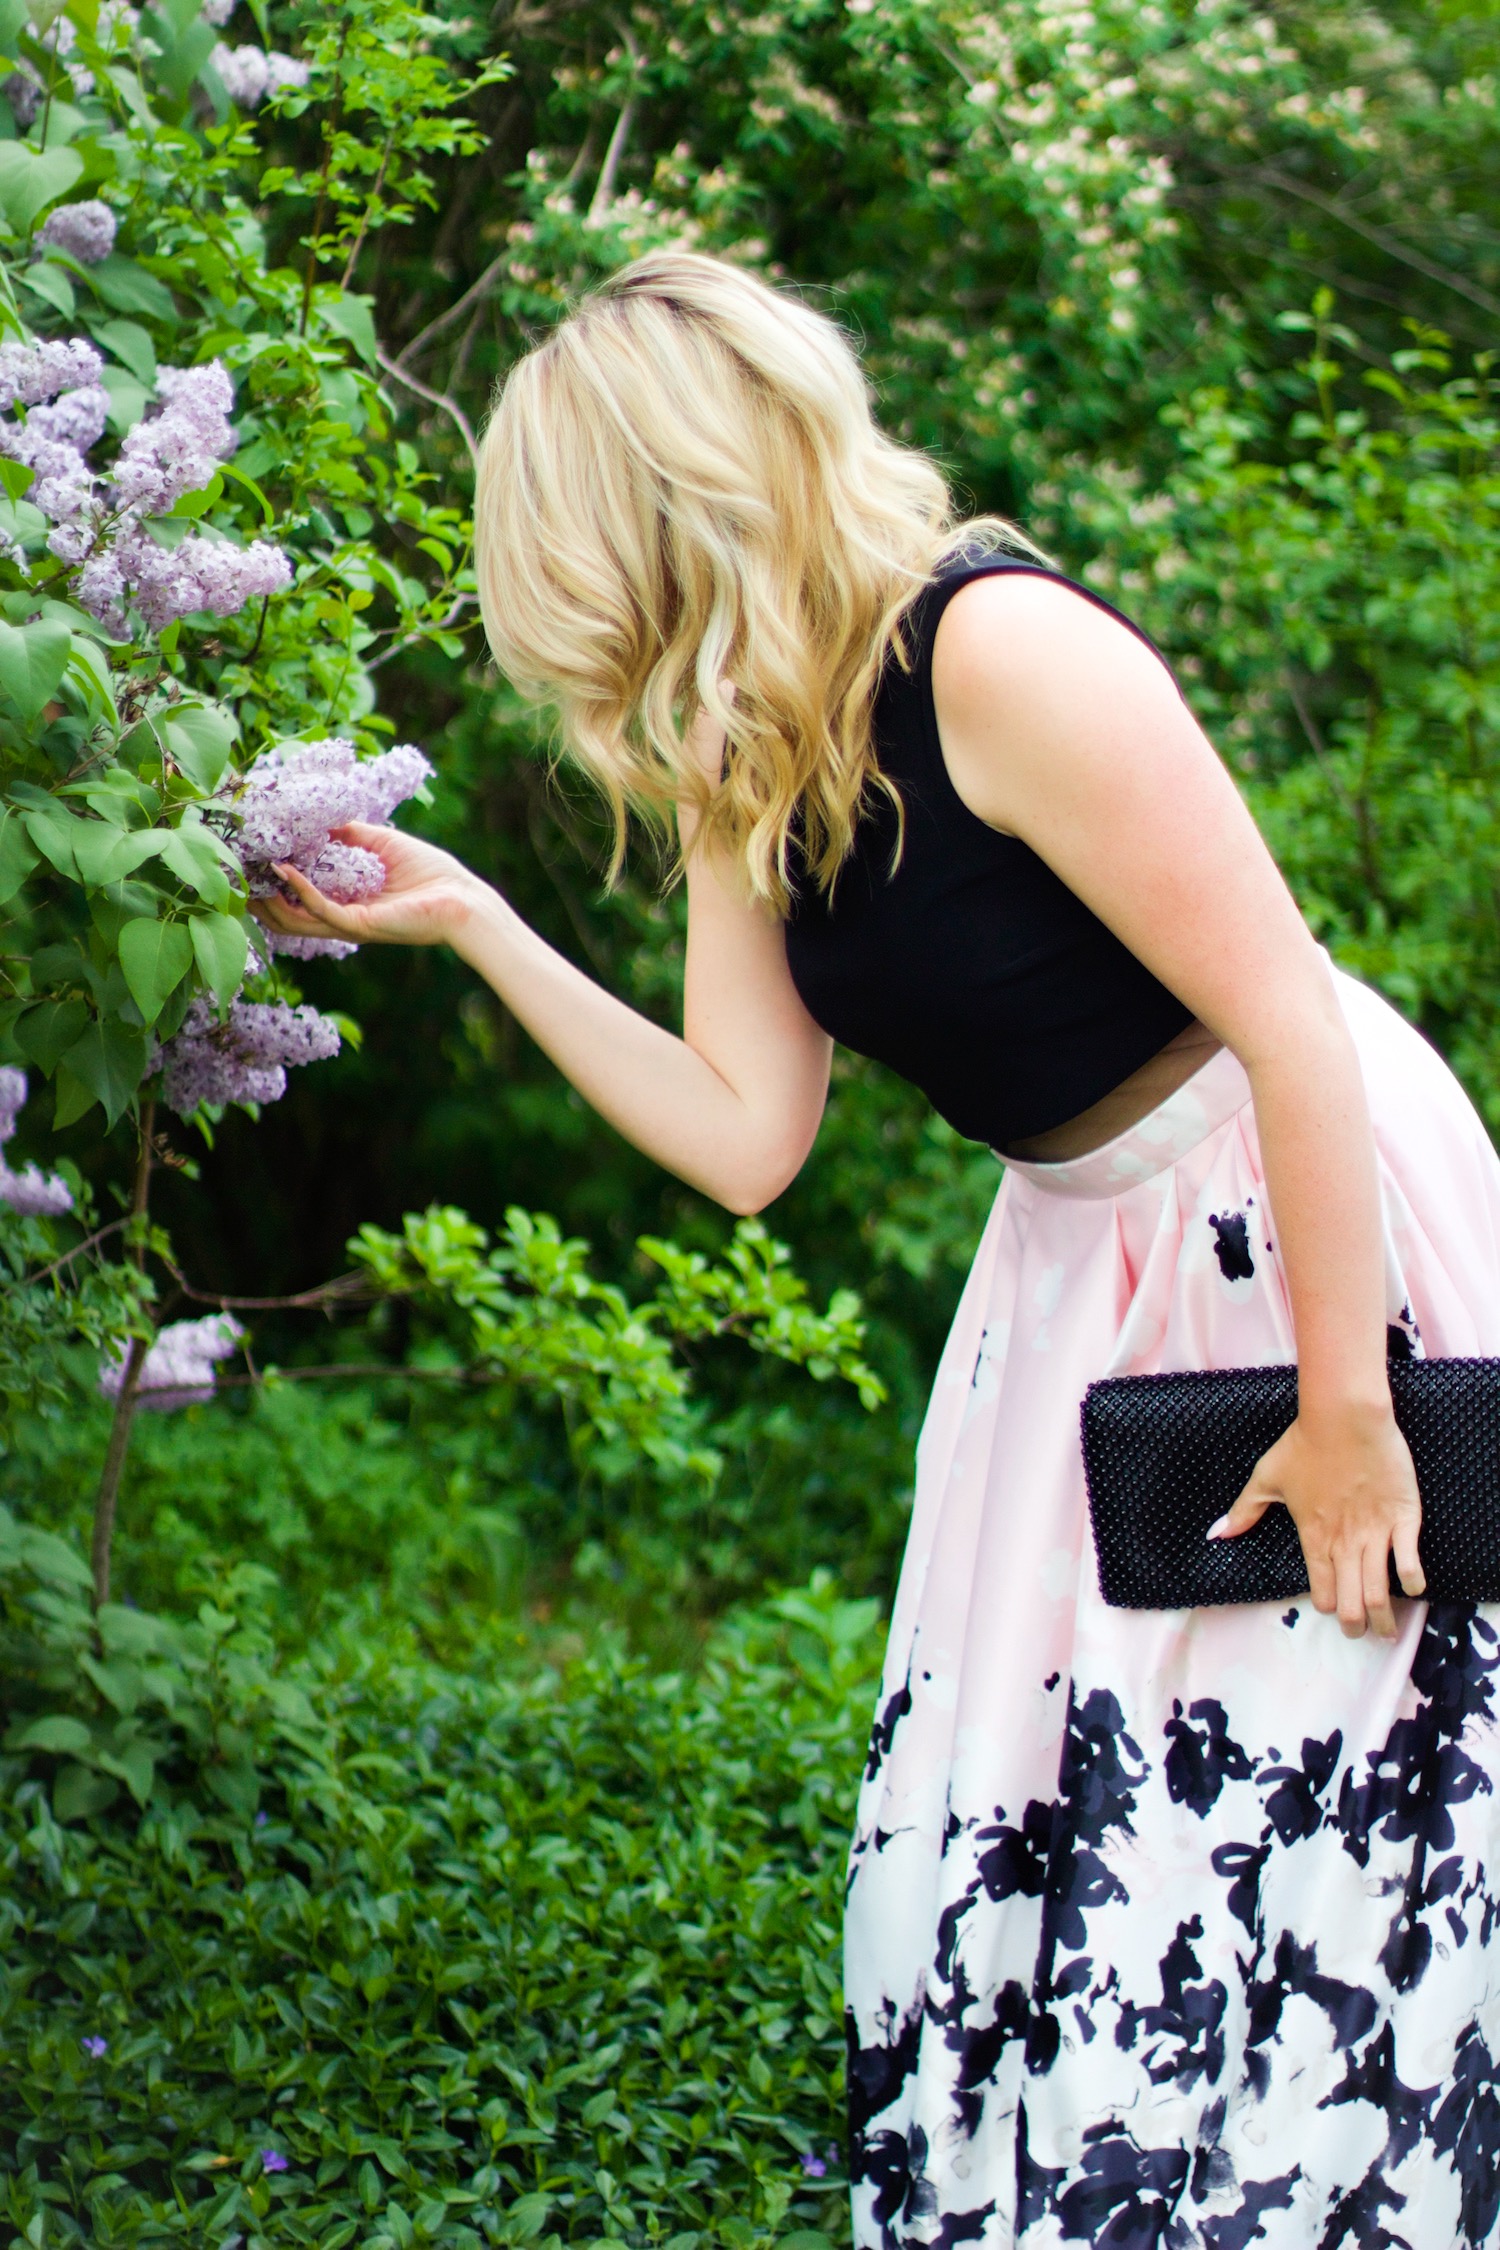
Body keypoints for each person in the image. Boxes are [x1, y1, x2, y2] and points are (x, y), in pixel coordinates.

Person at [256, 251, 1500, 2248]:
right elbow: (748, 1140)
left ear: (664, 518)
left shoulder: (999, 651)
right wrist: (479, 920)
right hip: (1077, 1257)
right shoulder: (749, 754)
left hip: (1294, 1202)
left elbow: (1286, 1020)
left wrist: (1354, 1411)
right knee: (1027, 1804)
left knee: (1308, 1765)